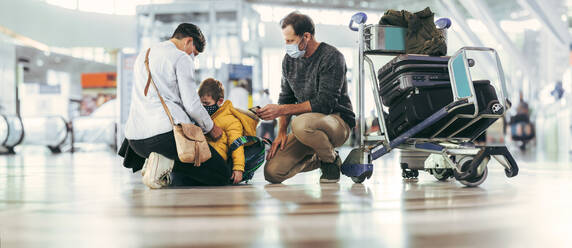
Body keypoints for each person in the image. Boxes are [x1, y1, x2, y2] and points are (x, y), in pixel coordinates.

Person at [123, 23, 230, 188]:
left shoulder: (144, 54)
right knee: (221, 174)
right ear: (188, 41)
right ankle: (165, 161)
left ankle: (158, 164)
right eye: (194, 53)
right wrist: (211, 127)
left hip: (135, 141)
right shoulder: (181, 57)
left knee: (183, 176)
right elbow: (192, 105)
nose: (192, 57)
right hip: (165, 136)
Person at [256, 12, 356, 184]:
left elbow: (324, 103)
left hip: (337, 122)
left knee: (300, 123)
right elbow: (285, 97)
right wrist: (281, 133)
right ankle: (322, 157)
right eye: (285, 41)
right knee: (273, 172)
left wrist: (280, 110)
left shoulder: (332, 56)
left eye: (290, 41)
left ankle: (330, 161)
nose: (287, 46)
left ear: (306, 36)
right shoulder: (288, 61)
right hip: (307, 128)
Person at [198, 78, 258, 184]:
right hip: (202, 157)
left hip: (216, 161)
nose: (203, 107)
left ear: (220, 101)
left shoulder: (230, 119)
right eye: (201, 104)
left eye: (207, 104)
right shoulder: (201, 116)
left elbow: (237, 143)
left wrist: (238, 168)